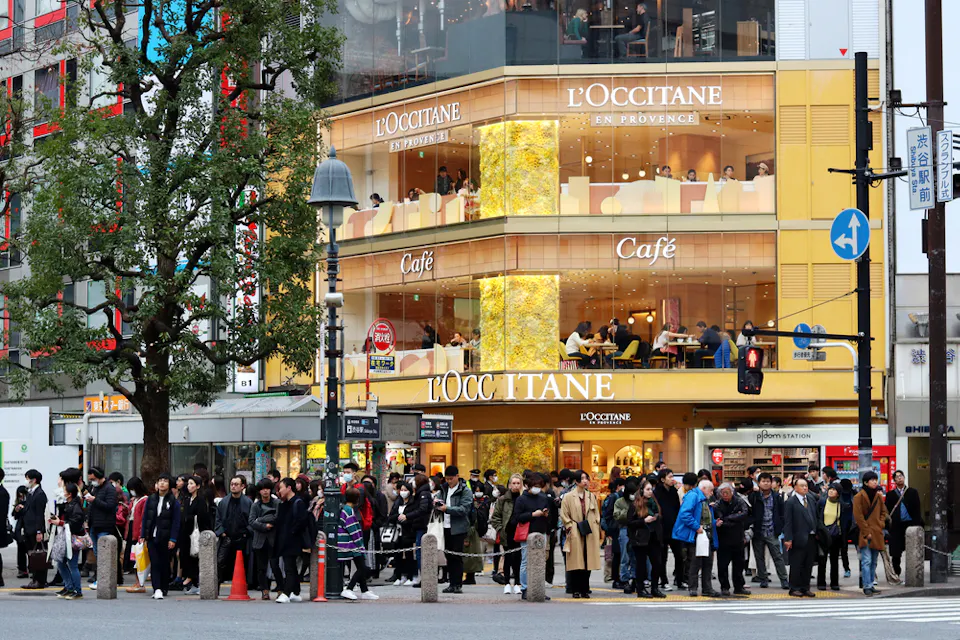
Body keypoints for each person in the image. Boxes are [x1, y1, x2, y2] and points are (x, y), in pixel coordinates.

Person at [673, 478, 720, 597]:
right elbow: (685, 514)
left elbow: (704, 517)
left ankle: (707, 588)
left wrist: (714, 523)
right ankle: (693, 587)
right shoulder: (693, 496)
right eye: (711, 490)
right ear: (704, 489)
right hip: (697, 534)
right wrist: (696, 527)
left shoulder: (702, 499)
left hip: (705, 534)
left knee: (707, 562)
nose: (712, 493)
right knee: (695, 561)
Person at [560, 470, 601, 599]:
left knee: (588, 560)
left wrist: (595, 526)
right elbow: (564, 514)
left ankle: (585, 589)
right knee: (576, 561)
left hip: (589, 530)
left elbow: (596, 514)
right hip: (575, 528)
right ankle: (575, 589)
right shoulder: (568, 496)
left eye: (586, 478)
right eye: (582, 478)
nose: (585, 481)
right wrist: (570, 526)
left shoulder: (591, 496)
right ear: (576, 481)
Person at [511, 473, 553, 601]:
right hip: (527, 533)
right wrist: (533, 514)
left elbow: (550, 515)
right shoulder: (521, 499)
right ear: (528, 486)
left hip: (541, 531)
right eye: (534, 486)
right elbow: (517, 517)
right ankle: (525, 588)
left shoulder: (543, 497)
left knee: (541, 561)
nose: (537, 488)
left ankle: (539, 588)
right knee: (525, 561)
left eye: (539, 486)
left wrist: (546, 515)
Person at [140, 473, 181, 600]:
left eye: (165, 481)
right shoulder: (151, 499)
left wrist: (173, 538)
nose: (162, 483)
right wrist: (143, 535)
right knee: (155, 562)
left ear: (169, 485)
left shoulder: (173, 502)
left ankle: (164, 587)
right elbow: (145, 517)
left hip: (166, 537)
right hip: (152, 536)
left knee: (164, 563)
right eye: (160, 481)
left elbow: (176, 522)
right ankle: (156, 588)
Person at [435, 465, 473, 594]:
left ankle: (457, 584)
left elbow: (464, 509)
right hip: (444, 527)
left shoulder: (465, 490)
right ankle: (451, 583)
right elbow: (436, 498)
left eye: (451, 478)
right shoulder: (443, 489)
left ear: (457, 476)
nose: (449, 481)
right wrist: (436, 502)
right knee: (448, 556)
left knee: (457, 556)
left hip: (458, 528)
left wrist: (448, 509)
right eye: (447, 479)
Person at [626, 480, 666, 598]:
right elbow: (629, 523)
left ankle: (654, 588)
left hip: (654, 536)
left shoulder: (654, 503)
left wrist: (657, 518)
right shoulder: (635, 504)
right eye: (648, 489)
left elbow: (660, 517)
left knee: (657, 563)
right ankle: (640, 589)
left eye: (651, 489)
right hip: (641, 538)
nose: (650, 492)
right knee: (641, 565)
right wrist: (644, 521)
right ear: (642, 490)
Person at [748, 472, 788, 589]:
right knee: (759, 557)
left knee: (777, 556)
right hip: (758, 531)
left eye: (768, 481)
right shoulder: (754, 496)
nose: (766, 483)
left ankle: (784, 579)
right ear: (759, 483)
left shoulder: (776, 497)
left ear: (772, 483)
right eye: (763, 481)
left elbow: (782, 513)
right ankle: (763, 578)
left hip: (772, 530)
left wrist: (780, 527)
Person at [338, 486, 378, 600]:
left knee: (360, 565)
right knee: (362, 568)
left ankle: (364, 590)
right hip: (351, 543)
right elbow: (352, 529)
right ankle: (349, 588)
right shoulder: (349, 511)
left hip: (347, 543)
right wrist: (360, 543)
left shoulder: (344, 509)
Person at [82, 466, 118, 591]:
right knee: (98, 554)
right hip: (94, 525)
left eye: (93, 479)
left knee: (104, 555)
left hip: (104, 526)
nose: (92, 481)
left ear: (99, 477)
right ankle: (100, 578)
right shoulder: (94, 488)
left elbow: (110, 506)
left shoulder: (109, 489)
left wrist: (94, 500)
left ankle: (103, 580)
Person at [274, 477, 309, 603]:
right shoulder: (284, 503)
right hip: (285, 539)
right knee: (292, 567)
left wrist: (292, 532)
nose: (279, 491)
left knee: (289, 567)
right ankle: (295, 591)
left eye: (281, 488)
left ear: (289, 488)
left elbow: (301, 521)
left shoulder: (298, 502)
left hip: (293, 540)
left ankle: (286, 593)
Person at [853, 471, 888, 596]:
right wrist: (866, 531)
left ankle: (871, 583)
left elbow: (884, 512)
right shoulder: (859, 497)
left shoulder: (878, 496)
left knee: (874, 560)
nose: (875, 482)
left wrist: (881, 523)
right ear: (866, 482)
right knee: (866, 560)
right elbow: (858, 516)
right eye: (872, 480)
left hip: (877, 531)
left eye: (875, 480)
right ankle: (867, 585)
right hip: (865, 532)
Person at [214, 475, 253, 584]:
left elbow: (252, 520)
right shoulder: (224, 502)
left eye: (236, 484)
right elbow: (218, 519)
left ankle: (244, 584)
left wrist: (247, 532)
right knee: (221, 561)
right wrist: (222, 533)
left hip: (243, 537)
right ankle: (217, 584)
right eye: (232, 484)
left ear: (242, 486)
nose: (233, 487)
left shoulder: (248, 502)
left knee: (244, 562)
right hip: (227, 537)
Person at [713, 482, 750, 596]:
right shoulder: (718, 504)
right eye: (722, 493)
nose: (724, 495)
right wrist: (734, 517)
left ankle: (739, 587)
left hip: (738, 537)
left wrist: (729, 518)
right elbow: (720, 520)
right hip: (723, 539)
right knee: (722, 565)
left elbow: (744, 514)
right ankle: (725, 587)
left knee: (739, 565)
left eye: (727, 492)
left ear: (732, 492)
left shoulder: (739, 501)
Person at [50, 481, 85, 599]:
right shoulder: (70, 504)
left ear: (69, 494)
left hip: (73, 538)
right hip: (67, 537)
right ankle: (69, 587)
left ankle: (77, 590)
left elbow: (74, 524)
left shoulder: (75, 506)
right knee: (61, 563)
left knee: (72, 565)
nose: (62, 492)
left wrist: (60, 522)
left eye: (64, 490)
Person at [783, 477, 818, 597]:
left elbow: (815, 516)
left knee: (808, 564)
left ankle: (805, 587)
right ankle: (794, 587)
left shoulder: (811, 499)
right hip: (797, 537)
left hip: (811, 536)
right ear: (795, 488)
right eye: (802, 486)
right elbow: (788, 522)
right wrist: (788, 538)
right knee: (796, 563)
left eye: (806, 486)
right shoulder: (791, 502)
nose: (805, 488)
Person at [886, 470, 923, 578]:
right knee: (896, 551)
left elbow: (917, 509)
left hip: (910, 525)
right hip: (896, 526)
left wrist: (917, 524)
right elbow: (887, 511)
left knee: (912, 549)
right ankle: (897, 572)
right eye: (897, 477)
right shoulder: (890, 495)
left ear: (904, 477)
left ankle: (913, 573)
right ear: (894, 480)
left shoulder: (912, 492)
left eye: (901, 476)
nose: (899, 478)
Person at [179, 475, 212, 595]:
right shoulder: (187, 500)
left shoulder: (201, 500)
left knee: (196, 557)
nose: (189, 486)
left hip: (196, 533)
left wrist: (189, 518)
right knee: (187, 557)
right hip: (187, 533)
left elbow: (202, 517)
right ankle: (192, 582)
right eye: (188, 484)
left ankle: (196, 582)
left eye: (192, 484)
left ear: (198, 486)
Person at [491, 473, 523, 595]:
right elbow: (495, 517)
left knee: (519, 559)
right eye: (513, 483)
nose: (515, 485)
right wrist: (500, 529)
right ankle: (507, 583)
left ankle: (518, 583)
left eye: (518, 483)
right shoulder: (503, 499)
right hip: (507, 532)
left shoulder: (523, 498)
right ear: (509, 485)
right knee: (507, 558)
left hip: (520, 533)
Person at [248, 479, 280, 600]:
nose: (265, 491)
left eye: (267, 488)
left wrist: (260, 520)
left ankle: (280, 589)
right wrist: (263, 525)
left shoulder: (276, 503)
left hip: (273, 539)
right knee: (261, 568)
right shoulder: (255, 505)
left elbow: (277, 518)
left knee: (275, 565)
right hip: (260, 540)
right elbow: (251, 521)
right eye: (262, 489)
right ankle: (264, 590)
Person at [653, 469, 684, 591]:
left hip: (674, 528)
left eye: (673, 476)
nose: (672, 479)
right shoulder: (657, 493)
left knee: (679, 555)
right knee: (662, 557)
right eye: (670, 477)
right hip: (661, 528)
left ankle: (680, 580)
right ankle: (664, 581)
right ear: (662, 479)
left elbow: (677, 508)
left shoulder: (673, 491)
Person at [19, 469, 49, 589]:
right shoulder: (31, 493)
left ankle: (40, 580)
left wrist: (39, 531)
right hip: (28, 529)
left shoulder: (40, 494)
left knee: (39, 555)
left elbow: (39, 514)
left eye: (27, 478)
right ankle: (35, 579)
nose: (26, 481)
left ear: (34, 480)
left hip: (35, 529)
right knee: (32, 555)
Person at [387, 481, 417, 585]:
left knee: (409, 555)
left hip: (408, 532)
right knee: (397, 555)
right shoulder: (397, 502)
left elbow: (414, 517)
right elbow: (391, 516)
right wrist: (398, 517)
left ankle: (410, 576)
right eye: (402, 490)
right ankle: (399, 576)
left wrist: (406, 518)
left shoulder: (413, 503)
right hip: (397, 532)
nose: (403, 492)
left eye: (405, 490)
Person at [817, 484, 844, 591]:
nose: (831, 491)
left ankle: (834, 582)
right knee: (822, 560)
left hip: (835, 536)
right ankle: (821, 582)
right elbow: (817, 517)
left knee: (834, 560)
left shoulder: (840, 504)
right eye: (830, 489)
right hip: (823, 534)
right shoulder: (822, 502)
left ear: (838, 493)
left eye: (834, 490)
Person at [611, 480, 634, 592]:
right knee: (624, 556)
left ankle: (635, 577)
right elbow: (617, 516)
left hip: (635, 529)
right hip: (624, 529)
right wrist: (628, 511)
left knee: (634, 556)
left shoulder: (637, 500)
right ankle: (624, 579)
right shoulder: (619, 502)